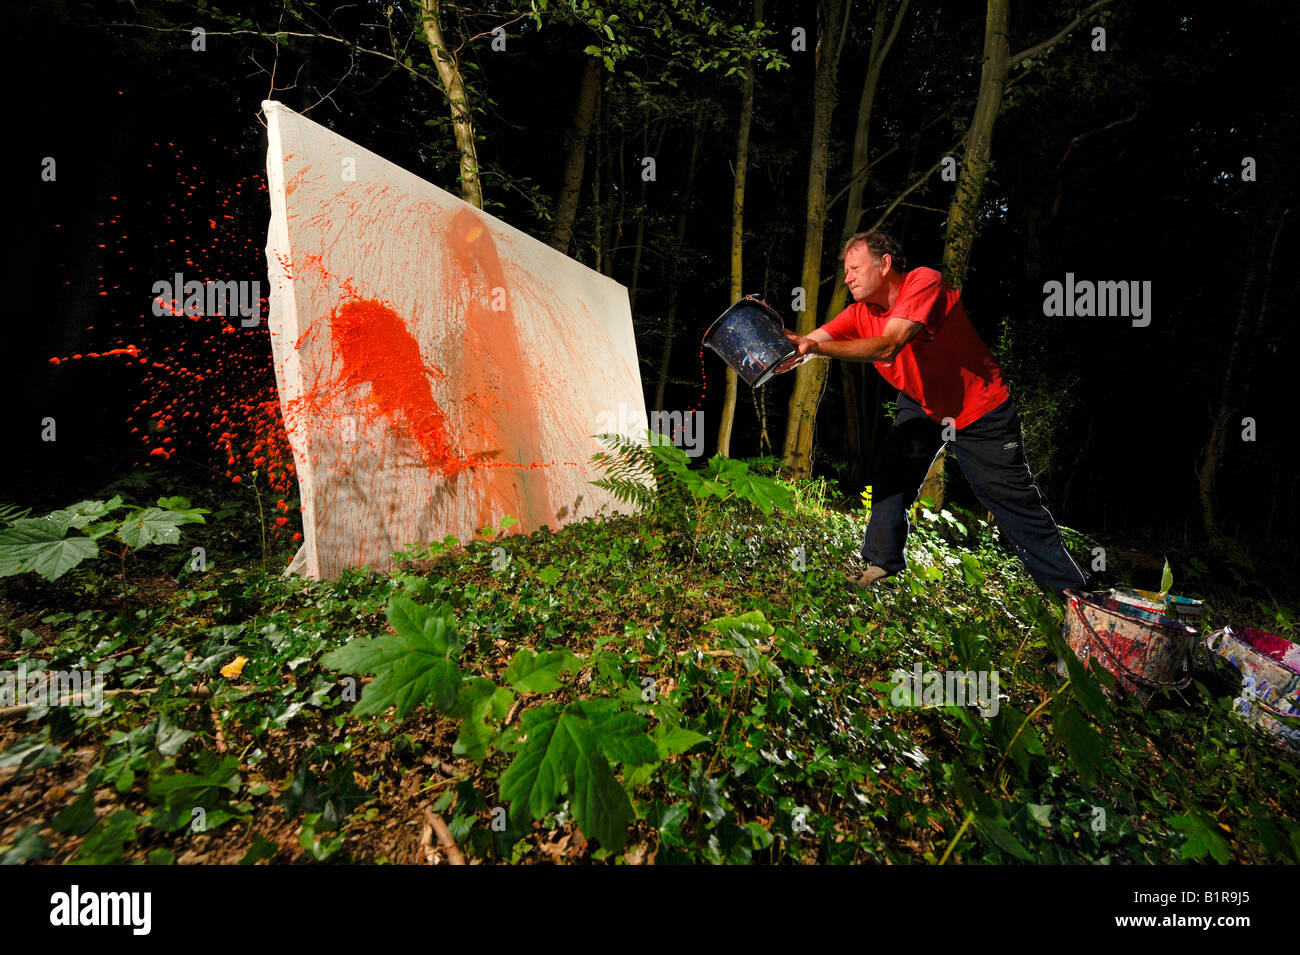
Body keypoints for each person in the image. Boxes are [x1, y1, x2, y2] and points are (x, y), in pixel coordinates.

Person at [778, 230, 1091, 598]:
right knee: (892, 471)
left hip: (980, 410)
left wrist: (816, 347)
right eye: (845, 270)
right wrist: (774, 338)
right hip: (923, 404)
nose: (847, 277)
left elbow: (889, 345)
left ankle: (1073, 595)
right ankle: (882, 563)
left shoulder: (924, 282)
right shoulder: (858, 314)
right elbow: (808, 343)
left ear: (885, 264)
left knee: (1011, 501)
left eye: (855, 267)